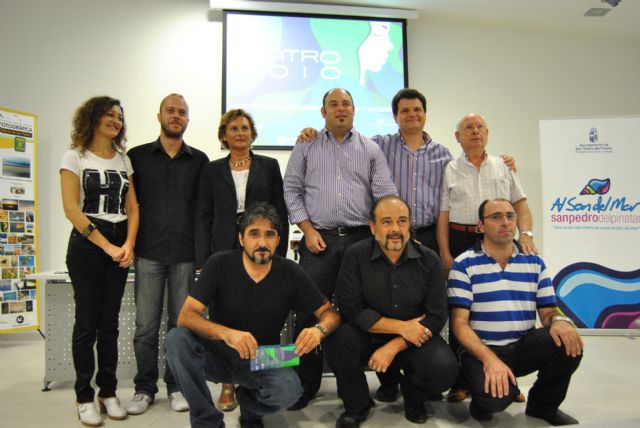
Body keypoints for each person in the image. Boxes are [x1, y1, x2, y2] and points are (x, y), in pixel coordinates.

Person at [165, 202, 340, 428]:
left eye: (270, 235)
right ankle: (207, 421)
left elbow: (331, 314)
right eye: (254, 234)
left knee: (291, 390)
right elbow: (186, 316)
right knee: (176, 339)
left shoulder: (291, 272)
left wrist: (319, 330)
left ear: (278, 240)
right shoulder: (219, 263)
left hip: (265, 355)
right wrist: (227, 334)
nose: (262, 243)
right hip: (220, 352)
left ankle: (249, 408)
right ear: (241, 239)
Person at [283, 87, 397, 410]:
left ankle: (382, 381)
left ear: (354, 109)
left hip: (362, 240)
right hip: (318, 239)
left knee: (369, 308)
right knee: (307, 312)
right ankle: (304, 385)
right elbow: (291, 189)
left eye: (346, 103)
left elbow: (385, 193)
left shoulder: (370, 149)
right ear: (323, 112)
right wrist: (307, 230)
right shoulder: (306, 146)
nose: (340, 109)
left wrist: (384, 232)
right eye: (333, 104)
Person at [326, 195, 458, 427]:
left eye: (402, 221)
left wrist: (395, 344)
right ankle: (357, 406)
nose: (395, 229)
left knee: (444, 369)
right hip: (370, 334)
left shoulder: (429, 259)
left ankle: (413, 397)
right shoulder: (355, 256)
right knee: (338, 339)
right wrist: (401, 327)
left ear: (409, 225)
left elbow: (437, 315)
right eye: (386, 222)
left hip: (413, 340)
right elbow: (350, 309)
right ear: (373, 227)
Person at [448, 198, 583, 425]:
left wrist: (560, 320)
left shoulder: (535, 263)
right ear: (480, 226)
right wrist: (490, 359)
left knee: (569, 342)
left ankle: (542, 406)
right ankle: (482, 399)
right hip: (482, 350)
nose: (505, 222)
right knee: (495, 400)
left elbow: (548, 312)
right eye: (496, 217)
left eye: (510, 216)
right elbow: (459, 324)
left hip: (522, 347)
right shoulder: (464, 265)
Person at [195, 108, 289, 411]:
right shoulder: (211, 170)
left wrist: (279, 253)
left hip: (261, 247)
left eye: (245, 128)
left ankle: (261, 377)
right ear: (224, 135)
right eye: (233, 128)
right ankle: (228, 382)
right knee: (224, 314)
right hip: (223, 249)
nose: (240, 133)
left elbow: (280, 212)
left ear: (252, 133)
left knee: (264, 312)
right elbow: (203, 215)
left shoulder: (269, 166)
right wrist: (203, 259)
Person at [437, 113, 534, 402]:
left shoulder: (503, 166)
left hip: (497, 239)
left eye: (480, 127)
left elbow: (521, 205)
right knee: (461, 312)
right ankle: (461, 381)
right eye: (468, 128)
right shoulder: (450, 169)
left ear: (487, 133)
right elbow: (443, 215)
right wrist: (445, 253)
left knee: (502, 307)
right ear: (458, 137)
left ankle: (508, 377)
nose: (475, 131)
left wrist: (527, 234)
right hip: (461, 238)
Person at [125, 94, 209, 415]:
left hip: (185, 256)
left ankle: (176, 386)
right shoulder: (137, 157)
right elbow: (130, 206)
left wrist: (202, 255)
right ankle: (144, 389)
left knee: (181, 326)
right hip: (148, 253)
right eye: (170, 111)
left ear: (188, 119)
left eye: (182, 112)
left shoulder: (200, 161)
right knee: (146, 326)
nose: (176, 116)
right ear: (158, 116)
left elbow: (203, 212)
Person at [61, 96, 139, 427]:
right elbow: (71, 209)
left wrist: (129, 244)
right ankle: (83, 397)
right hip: (88, 245)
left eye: (119, 116)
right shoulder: (75, 156)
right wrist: (107, 246)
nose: (115, 121)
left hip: (120, 242)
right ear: (92, 118)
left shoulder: (123, 159)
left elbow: (133, 207)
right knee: (86, 324)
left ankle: (108, 393)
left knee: (110, 324)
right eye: (109, 114)